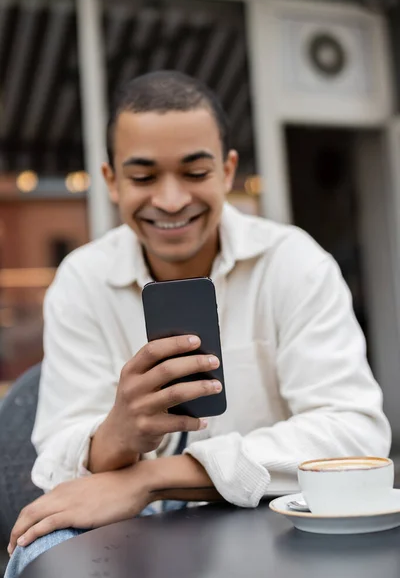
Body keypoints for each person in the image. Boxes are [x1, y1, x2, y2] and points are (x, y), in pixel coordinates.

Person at [6, 70, 390, 576]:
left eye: (194, 172)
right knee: (38, 552)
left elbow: (356, 433)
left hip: (275, 518)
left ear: (228, 171)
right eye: (143, 177)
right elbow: (57, 458)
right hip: (125, 529)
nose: (170, 200)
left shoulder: (294, 262)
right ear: (111, 181)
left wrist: (153, 478)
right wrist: (117, 434)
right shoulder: (82, 279)